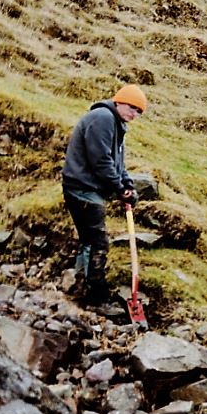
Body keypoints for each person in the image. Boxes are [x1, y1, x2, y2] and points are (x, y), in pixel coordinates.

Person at [60, 84, 146, 310]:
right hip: (82, 189)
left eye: (138, 111)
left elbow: (117, 163)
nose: (133, 114)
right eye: (131, 107)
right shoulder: (103, 118)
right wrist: (119, 188)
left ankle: (79, 285)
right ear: (119, 101)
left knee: (89, 240)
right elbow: (101, 161)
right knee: (97, 242)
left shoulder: (117, 124)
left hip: (90, 189)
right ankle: (95, 298)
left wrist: (127, 185)